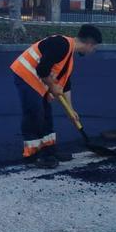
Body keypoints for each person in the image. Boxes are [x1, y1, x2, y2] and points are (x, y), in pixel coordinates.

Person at [11, 24, 103, 168]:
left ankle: (49, 151)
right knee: (34, 113)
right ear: (90, 43)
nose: (93, 51)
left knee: (46, 114)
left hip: (37, 82)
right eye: (94, 48)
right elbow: (42, 68)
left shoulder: (68, 57)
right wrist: (53, 86)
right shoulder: (61, 44)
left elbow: (65, 85)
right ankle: (33, 156)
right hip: (26, 75)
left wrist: (70, 111)